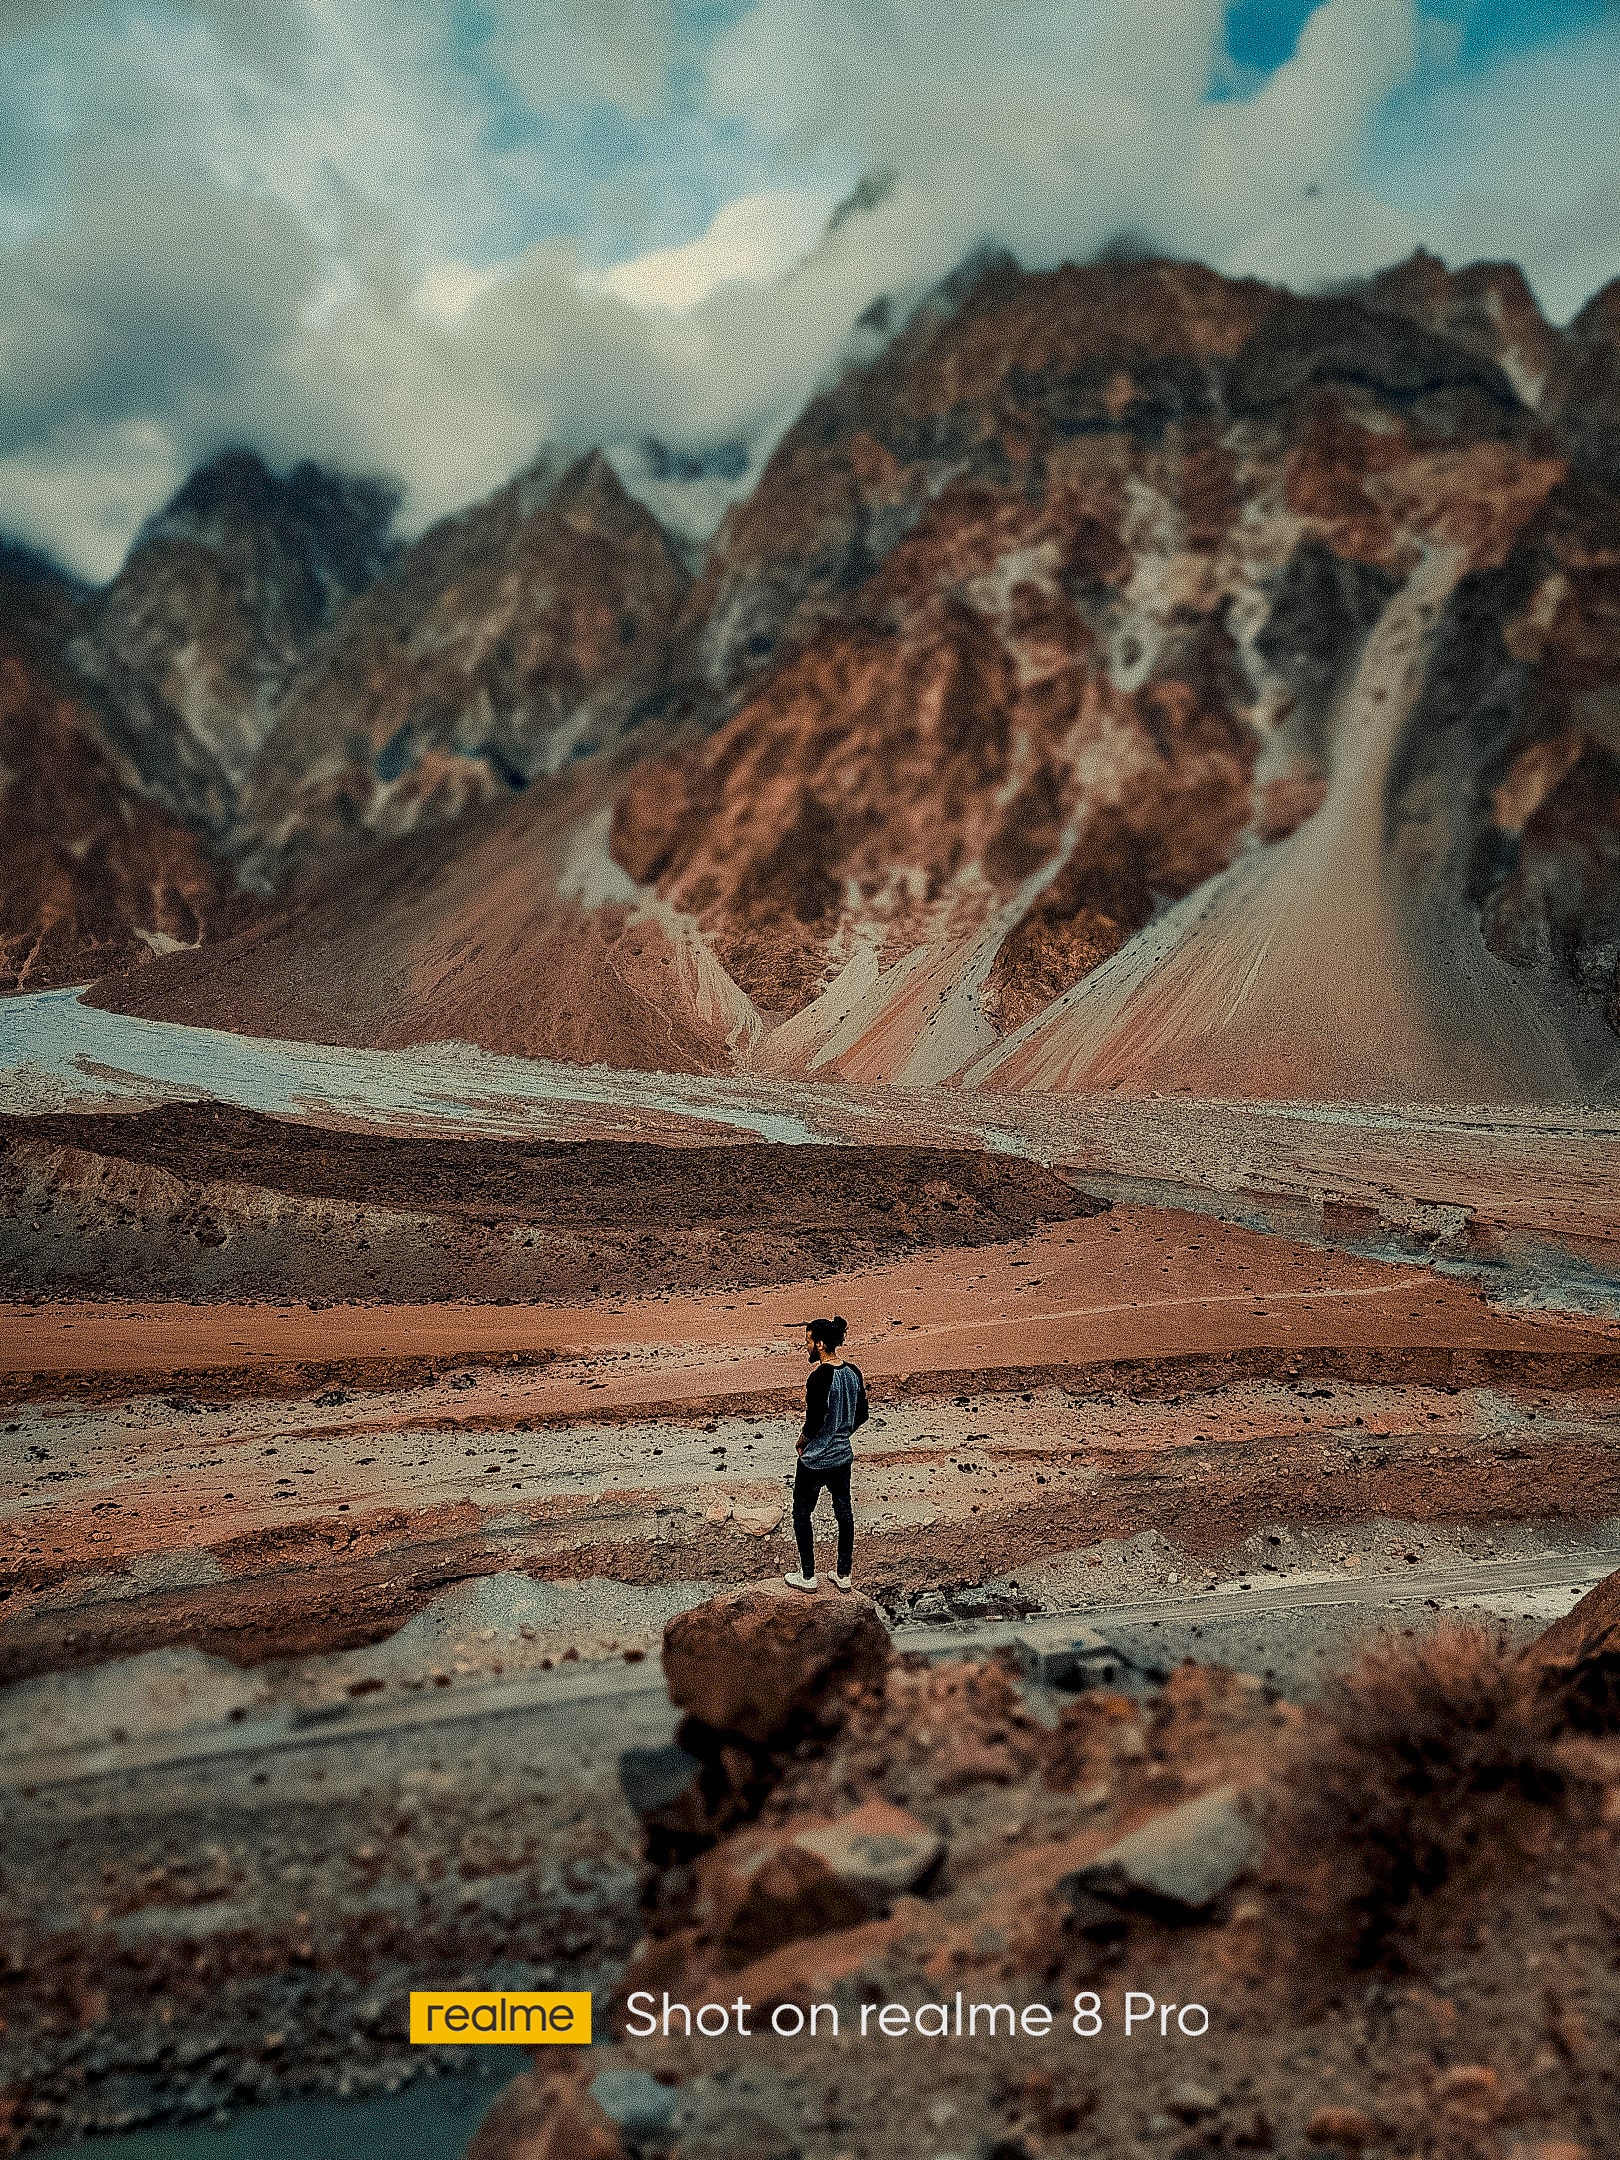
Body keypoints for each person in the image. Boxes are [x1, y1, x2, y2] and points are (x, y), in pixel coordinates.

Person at [784, 1314, 868, 1594]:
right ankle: (843, 1575)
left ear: (820, 1343)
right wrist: (842, 1433)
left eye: (808, 1341)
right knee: (844, 1512)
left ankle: (808, 1576)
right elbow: (862, 1414)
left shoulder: (819, 1377)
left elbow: (815, 1419)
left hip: (816, 1460)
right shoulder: (854, 1372)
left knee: (801, 1513)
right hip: (843, 1457)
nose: (806, 1347)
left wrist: (802, 1440)